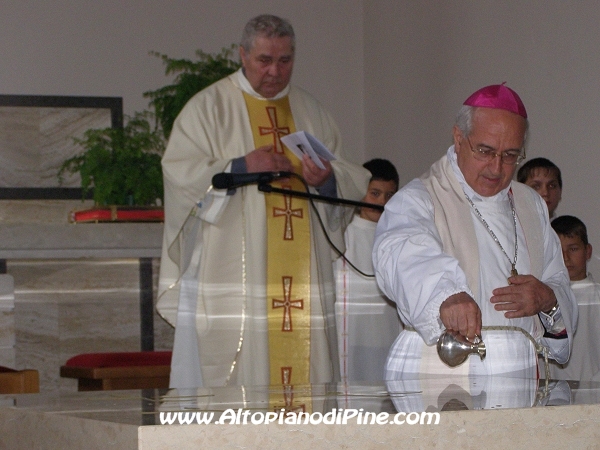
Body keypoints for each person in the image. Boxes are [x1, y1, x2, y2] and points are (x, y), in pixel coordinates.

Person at [157, 14, 369, 389]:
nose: (274, 71)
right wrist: (238, 166)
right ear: (242, 55)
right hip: (239, 273)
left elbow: (351, 176)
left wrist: (327, 180)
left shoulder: (311, 111)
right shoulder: (209, 108)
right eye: (264, 61)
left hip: (303, 274)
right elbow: (179, 174)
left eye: (285, 61)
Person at [373, 84, 577, 391]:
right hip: (448, 383)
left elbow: (556, 278)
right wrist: (445, 294)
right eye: (485, 151)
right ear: (458, 138)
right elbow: (401, 251)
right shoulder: (420, 198)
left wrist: (547, 300)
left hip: (522, 383)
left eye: (510, 155)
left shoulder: (530, 204)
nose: (497, 168)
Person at [334, 158, 402, 384]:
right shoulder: (340, 233)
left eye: (389, 195)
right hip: (350, 334)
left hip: (384, 335)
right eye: (375, 193)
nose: (381, 202)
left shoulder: (399, 237)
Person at [550, 215, 600, 381]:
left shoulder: (597, 296)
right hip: (553, 393)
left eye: (573, 249)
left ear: (588, 251)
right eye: (559, 251)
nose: (565, 258)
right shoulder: (545, 299)